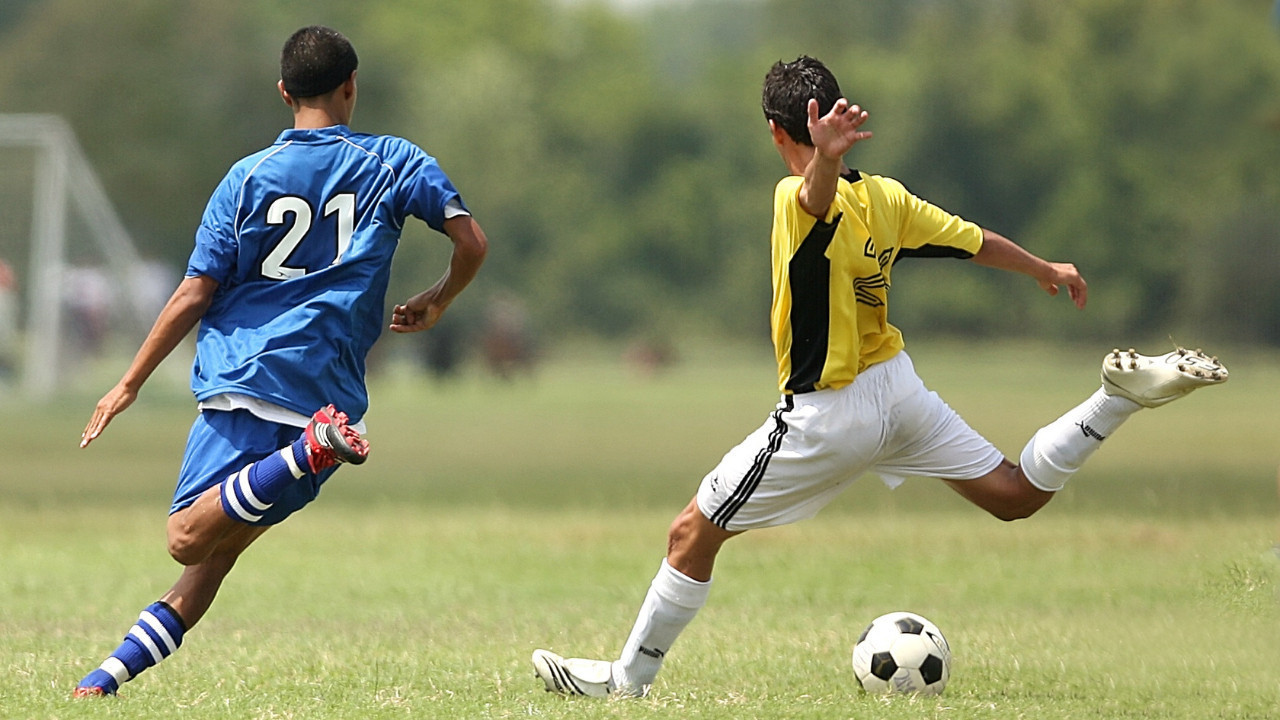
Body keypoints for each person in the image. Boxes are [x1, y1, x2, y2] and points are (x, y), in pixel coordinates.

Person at [531, 55, 1227, 698]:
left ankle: (629, 681)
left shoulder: (791, 196)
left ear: (777, 132)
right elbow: (971, 239)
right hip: (898, 390)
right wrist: (1045, 267)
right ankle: (1112, 400)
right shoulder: (887, 198)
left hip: (828, 414)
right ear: (833, 115)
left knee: (691, 533)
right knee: (1014, 494)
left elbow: (812, 200)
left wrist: (822, 163)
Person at [73, 25, 487, 697]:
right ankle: (105, 680)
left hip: (248, 378)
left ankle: (304, 452)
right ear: (352, 87)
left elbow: (194, 292)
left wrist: (128, 383)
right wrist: (437, 301)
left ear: (283, 93)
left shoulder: (245, 179)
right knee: (212, 561)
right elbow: (472, 242)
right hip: (328, 391)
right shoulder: (394, 161)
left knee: (186, 538)